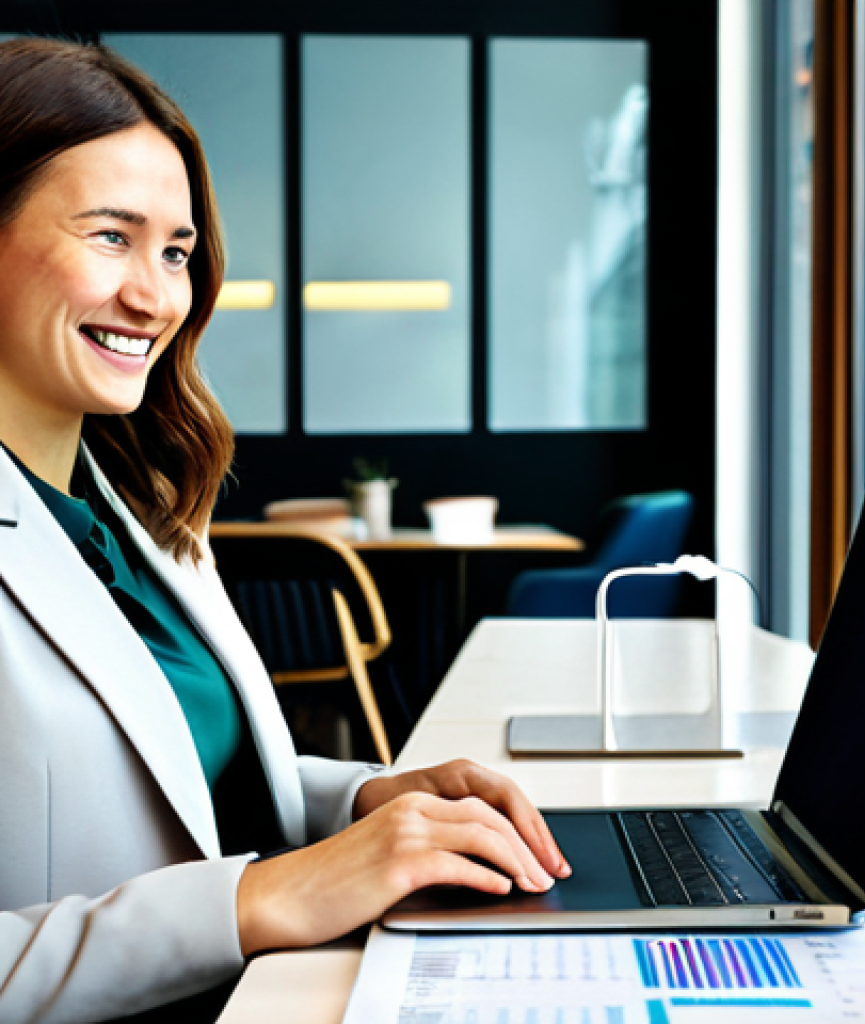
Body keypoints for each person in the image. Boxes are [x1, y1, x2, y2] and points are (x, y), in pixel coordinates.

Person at [0, 37, 569, 1023]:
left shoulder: (142, 502)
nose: (156, 294)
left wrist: (366, 803)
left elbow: (177, 774)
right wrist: (269, 892)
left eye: (175, 251)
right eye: (110, 236)